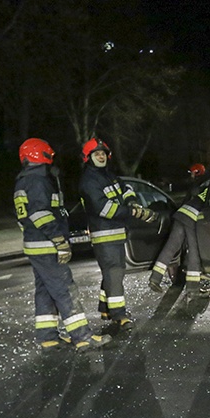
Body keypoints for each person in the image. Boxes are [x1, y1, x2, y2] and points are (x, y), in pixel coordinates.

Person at [14, 138, 111, 353]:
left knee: (45, 291)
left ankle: (48, 337)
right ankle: (82, 337)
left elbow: (25, 217)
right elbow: (40, 214)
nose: (52, 158)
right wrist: (58, 240)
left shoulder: (23, 180)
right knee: (65, 289)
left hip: (34, 245)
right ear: (42, 155)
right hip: (47, 244)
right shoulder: (38, 181)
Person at [78, 137, 157, 333]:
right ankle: (118, 315)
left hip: (115, 234)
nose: (100, 156)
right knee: (114, 273)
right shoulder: (89, 181)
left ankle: (105, 309)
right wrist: (132, 213)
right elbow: (104, 209)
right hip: (104, 236)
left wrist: (131, 202)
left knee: (113, 273)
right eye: (96, 153)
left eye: (103, 153)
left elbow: (126, 189)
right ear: (88, 158)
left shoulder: (109, 176)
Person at [148, 163, 209, 297]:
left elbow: (187, 200)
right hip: (191, 217)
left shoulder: (195, 186)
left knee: (170, 247)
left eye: (192, 173)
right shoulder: (206, 186)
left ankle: (155, 278)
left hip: (181, 214)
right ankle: (193, 288)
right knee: (194, 250)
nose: (190, 175)